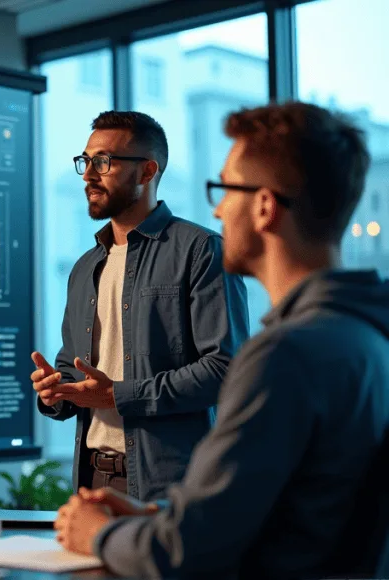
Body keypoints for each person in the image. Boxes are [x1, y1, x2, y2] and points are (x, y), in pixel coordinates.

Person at [54, 102, 389, 579]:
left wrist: (98, 535)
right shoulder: (363, 337)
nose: (217, 208)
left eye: (226, 188)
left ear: (264, 207)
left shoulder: (284, 356)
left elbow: (183, 551)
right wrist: (156, 516)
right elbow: (286, 508)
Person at [30, 111, 249, 501]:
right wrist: (56, 391)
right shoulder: (84, 267)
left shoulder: (201, 251)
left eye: (103, 162)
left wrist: (118, 395)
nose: (88, 175)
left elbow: (225, 369)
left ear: (147, 171)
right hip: (92, 479)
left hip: (172, 487)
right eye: (85, 161)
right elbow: (72, 367)